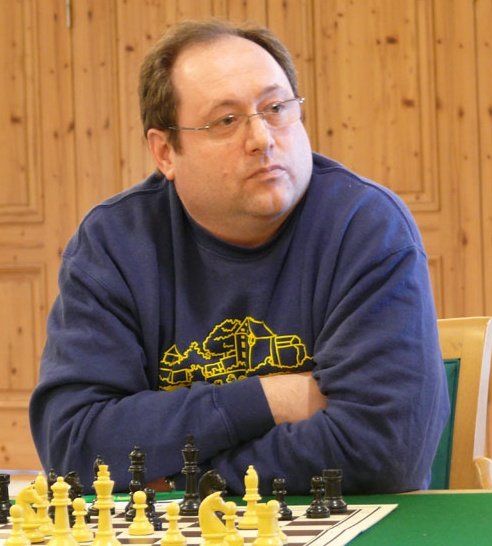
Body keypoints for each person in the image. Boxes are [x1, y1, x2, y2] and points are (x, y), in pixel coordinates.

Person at [29, 19, 450, 496]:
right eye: (226, 121)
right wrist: (271, 398)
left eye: (276, 108)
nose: (262, 138)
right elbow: (74, 446)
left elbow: (386, 450)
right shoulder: (114, 243)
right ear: (165, 152)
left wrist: (188, 476)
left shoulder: (366, 227)